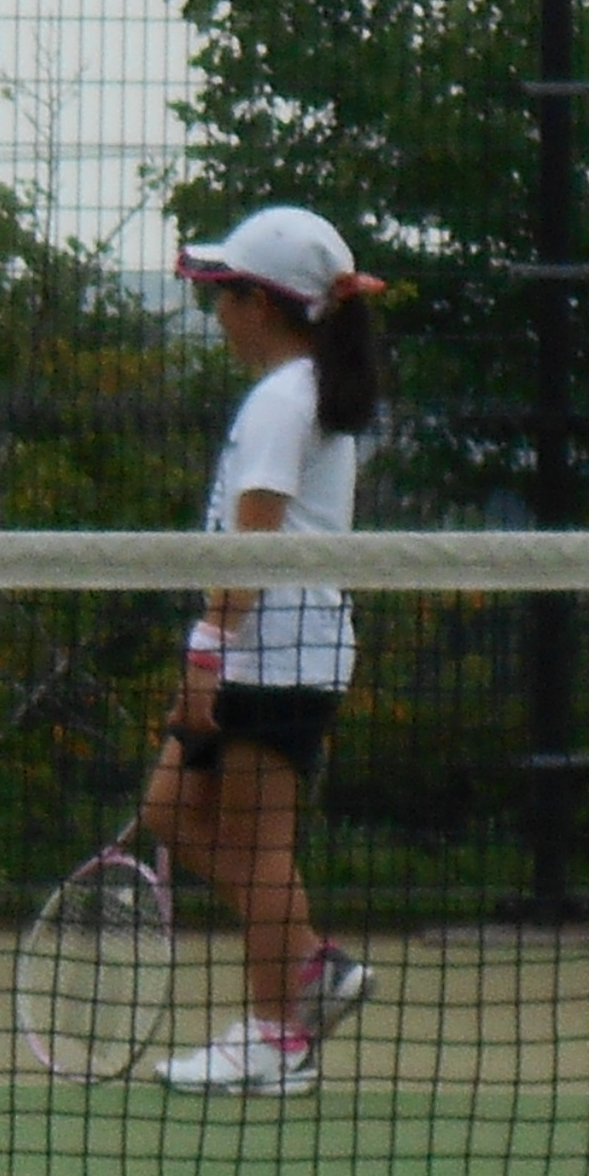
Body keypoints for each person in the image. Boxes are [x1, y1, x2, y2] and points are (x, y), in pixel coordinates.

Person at [147, 204, 387, 1098]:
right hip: (270, 651)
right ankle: (311, 964)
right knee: (173, 813)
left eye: (224, 294)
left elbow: (251, 542)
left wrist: (206, 658)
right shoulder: (297, 390)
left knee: (258, 847)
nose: (216, 313)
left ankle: (276, 1038)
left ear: (261, 303)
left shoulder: (287, 398)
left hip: (275, 655)